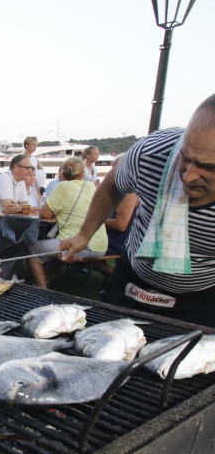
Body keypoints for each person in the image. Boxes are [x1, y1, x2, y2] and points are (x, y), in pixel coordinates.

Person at [61, 95, 215, 326]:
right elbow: (113, 183)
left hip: (200, 299)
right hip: (131, 280)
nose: (189, 175)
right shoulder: (152, 152)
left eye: (209, 167)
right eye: (185, 156)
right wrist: (84, 234)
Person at [27, 156, 107, 288]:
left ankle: (41, 289)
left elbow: (45, 214)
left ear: (62, 174)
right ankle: (47, 278)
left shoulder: (61, 186)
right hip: (100, 245)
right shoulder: (91, 186)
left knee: (33, 250)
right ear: (82, 174)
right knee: (56, 248)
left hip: (77, 244)